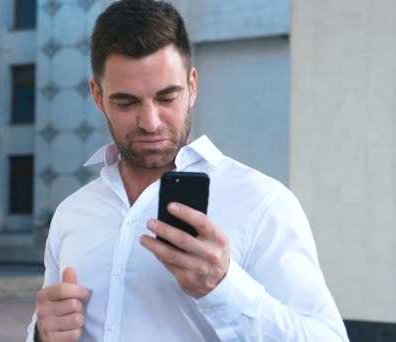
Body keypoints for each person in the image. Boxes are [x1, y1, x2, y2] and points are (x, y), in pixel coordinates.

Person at [26, 0, 349, 341]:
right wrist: (42, 334)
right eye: (126, 102)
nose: (150, 123)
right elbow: (47, 325)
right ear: (97, 95)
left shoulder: (263, 203)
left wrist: (222, 287)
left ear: (192, 86)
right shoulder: (72, 213)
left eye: (167, 98)